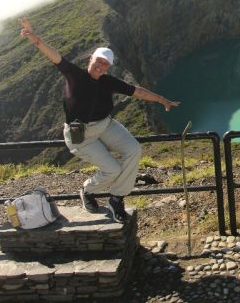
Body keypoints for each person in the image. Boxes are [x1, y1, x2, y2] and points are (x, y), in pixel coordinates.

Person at [19, 17, 180, 223]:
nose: (101, 66)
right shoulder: (74, 75)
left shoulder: (108, 81)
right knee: (112, 169)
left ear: (108, 67)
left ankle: (116, 197)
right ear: (90, 59)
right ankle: (87, 190)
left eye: (106, 64)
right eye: (99, 61)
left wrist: (162, 100)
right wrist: (34, 38)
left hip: (105, 125)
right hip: (81, 135)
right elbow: (55, 56)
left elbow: (136, 91)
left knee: (134, 150)